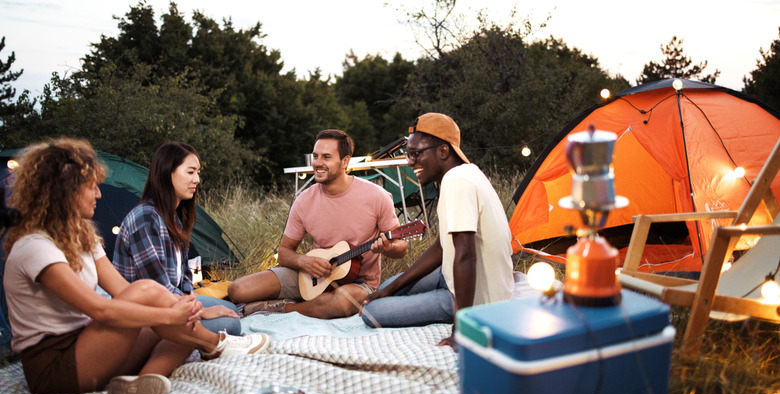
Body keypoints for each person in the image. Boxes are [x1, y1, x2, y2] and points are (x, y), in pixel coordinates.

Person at [2, 139, 269, 394]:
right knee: (154, 295)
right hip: (57, 366)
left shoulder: (83, 237)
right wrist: (170, 313)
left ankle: (143, 381)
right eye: (90, 186)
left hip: (90, 341)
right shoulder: (35, 246)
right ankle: (216, 345)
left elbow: (121, 290)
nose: (98, 194)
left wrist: (186, 310)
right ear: (64, 191)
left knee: (179, 317)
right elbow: (101, 309)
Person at [361, 113, 514, 348]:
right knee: (383, 290)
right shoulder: (464, 173)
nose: (410, 162)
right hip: (452, 275)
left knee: (371, 313)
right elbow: (443, 246)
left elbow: (466, 255)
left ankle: (455, 311)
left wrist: (461, 329)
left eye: (415, 153)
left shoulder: (457, 181)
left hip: (478, 297)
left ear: (443, 151)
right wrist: (392, 288)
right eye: (408, 154)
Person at [228, 129, 409, 319]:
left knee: (340, 302)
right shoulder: (304, 200)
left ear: (345, 161)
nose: (318, 163)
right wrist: (304, 261)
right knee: (238, 290)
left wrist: (387, 248)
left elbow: (402, 247)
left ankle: (279, 309)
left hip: (359, 282)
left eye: (326, 157)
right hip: (312, 277)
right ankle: (311, 305)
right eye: (315, 156)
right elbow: (284, 252)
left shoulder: (376, 196)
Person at [113, 142, 241, 335]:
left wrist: (191, 299)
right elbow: (157, 288)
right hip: (146, 311)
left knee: (231, 310)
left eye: (198, 172)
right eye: (190, 172)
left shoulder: (174, 218)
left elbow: (184, 278)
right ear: (167, 173)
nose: (197, 179)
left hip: (173, 300)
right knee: (230, 324)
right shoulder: (146, 219)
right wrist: (201, 311)